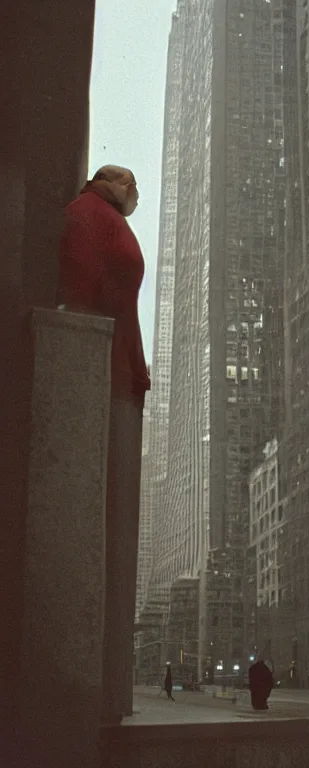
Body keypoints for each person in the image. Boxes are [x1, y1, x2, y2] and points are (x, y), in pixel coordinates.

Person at [58, 165, 151, 725]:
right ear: (109, 184)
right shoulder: (86, 217)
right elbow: (81, 295)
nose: (136, 193)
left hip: (121, 371)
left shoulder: (100, 217)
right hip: (102, 370)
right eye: (130, 184)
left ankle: (109, 696)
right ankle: (97, 700)